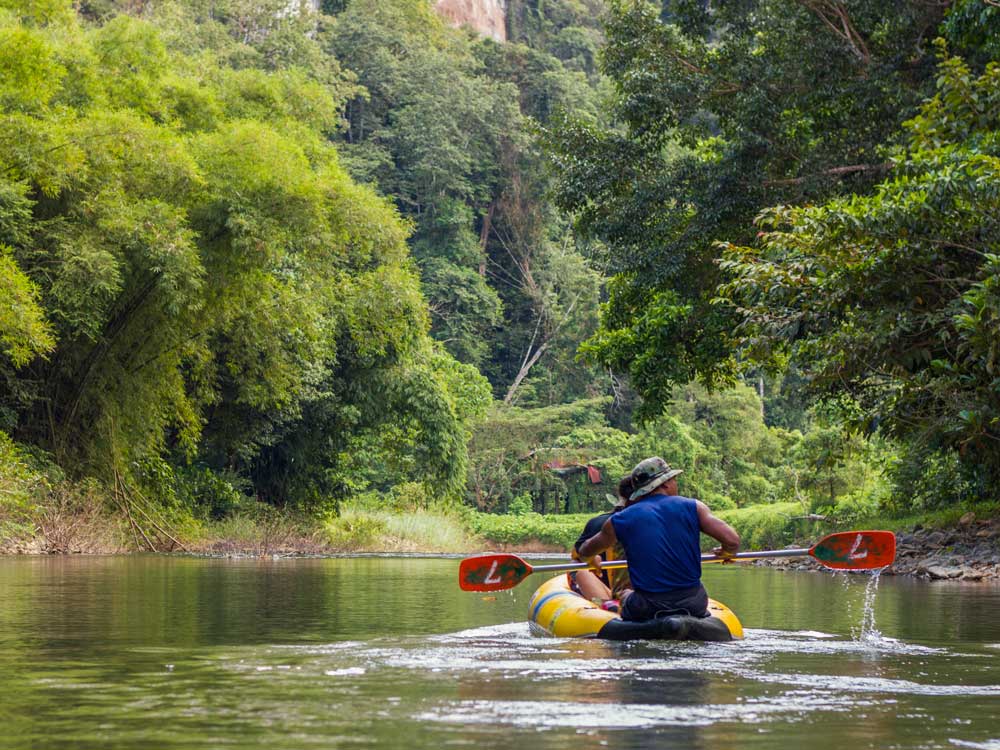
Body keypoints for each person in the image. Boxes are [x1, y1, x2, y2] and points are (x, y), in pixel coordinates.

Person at [576, 456, 739, 622]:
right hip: (694, 603)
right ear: (666, 483)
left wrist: (590, 558)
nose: (676, 484)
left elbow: (586, 549)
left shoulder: (620, 519)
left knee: (626, 594)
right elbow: (732, 541)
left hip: (647, 606)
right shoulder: (695, 507)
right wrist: (727, 552)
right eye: (674, 479)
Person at [568, 476, 634, 608]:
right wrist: (590, 559)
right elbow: (576, 560)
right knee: (582, 572)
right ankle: (606, 606)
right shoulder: (601, 524)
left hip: (633, 594)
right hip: (604, 591)